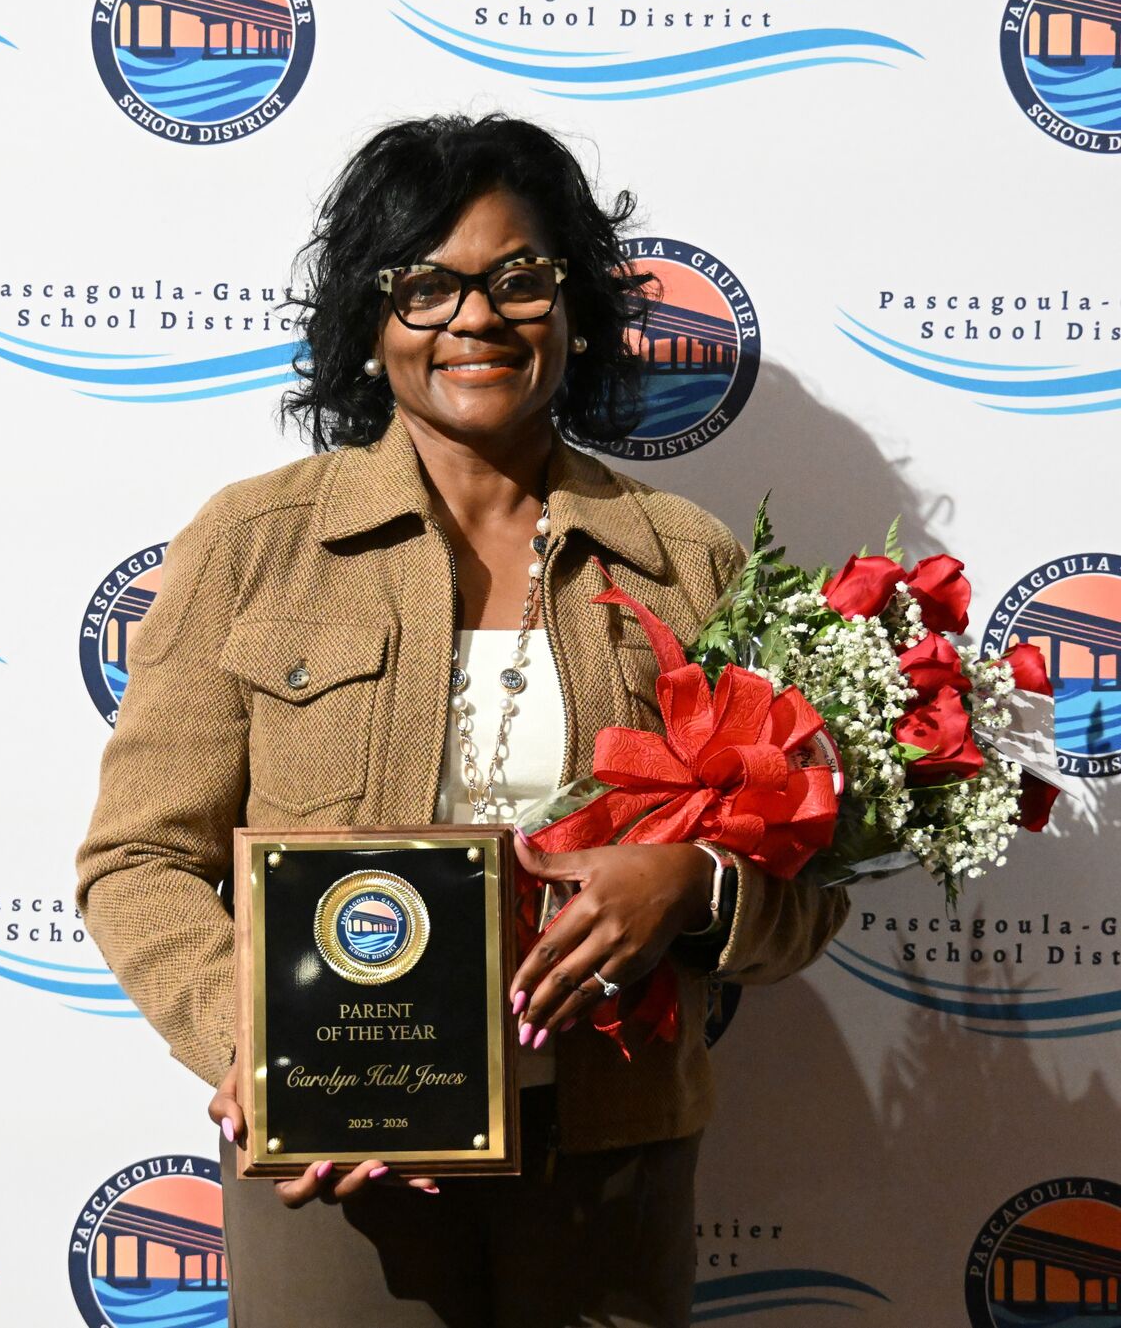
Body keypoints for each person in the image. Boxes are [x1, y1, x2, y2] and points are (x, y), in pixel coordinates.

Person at [75, 111, 850, 1328]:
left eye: (519, 279)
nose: (475, 318)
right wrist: (267, 1042)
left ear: (577, 304)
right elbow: (137, 858)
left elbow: (809, 891)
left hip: (611, 1155)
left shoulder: (686, 561)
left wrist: (693, 883)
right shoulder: (255, 543)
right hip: (343, 1167)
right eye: (425, 284)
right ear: (369, 322)